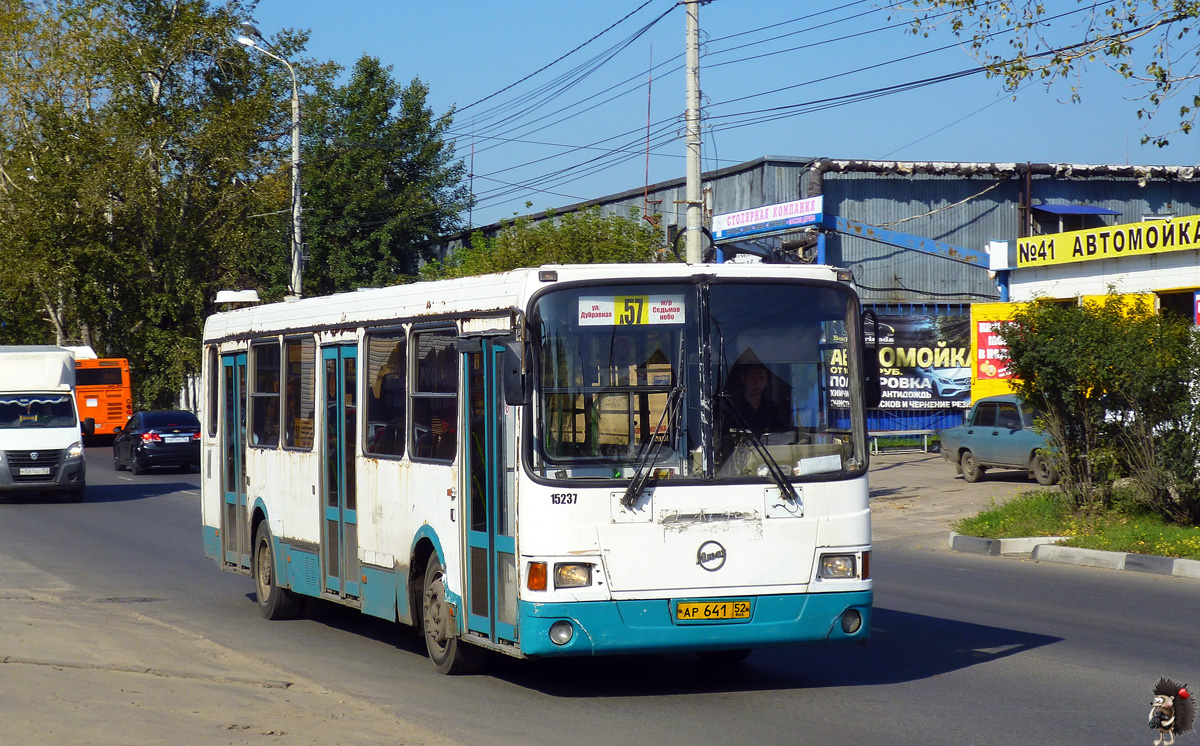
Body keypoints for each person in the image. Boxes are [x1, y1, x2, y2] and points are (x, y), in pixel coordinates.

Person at [725, 355, 790, 434]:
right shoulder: (732, 408)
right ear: (743, 378)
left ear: (766, 380)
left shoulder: (772, 409)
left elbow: (781, 435)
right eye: (752, 378)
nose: (757, 383)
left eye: (761, 378)